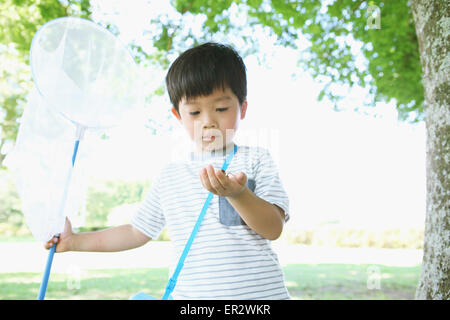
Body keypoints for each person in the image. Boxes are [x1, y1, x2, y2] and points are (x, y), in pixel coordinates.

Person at [45, 42, 291, 299]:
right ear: (178, 115)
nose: (208, 121)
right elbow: (135, 232)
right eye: (195, 111)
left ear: (242, 109)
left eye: (221, 108)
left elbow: (273, 228)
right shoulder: (171, 176)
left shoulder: (257, 160)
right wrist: (74, 241)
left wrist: (239, 194)